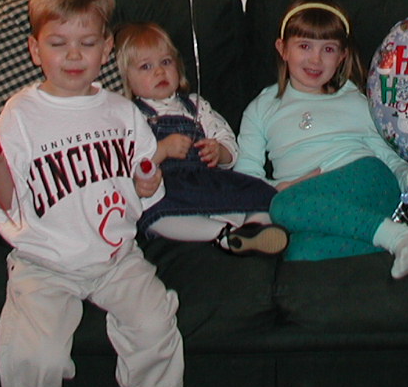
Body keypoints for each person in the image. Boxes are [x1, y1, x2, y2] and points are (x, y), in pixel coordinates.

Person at [0, 0, 183, 387]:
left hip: (115, 257)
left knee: (156, 328)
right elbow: (5, 201)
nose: (73, 56)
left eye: (86, 43)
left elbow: (144, 182)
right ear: (35, 49)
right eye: (58, 44)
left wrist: (147, 180)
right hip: (44, 262)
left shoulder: (122, 113)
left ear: (107, 49)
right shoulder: (20, 114)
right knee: (31, 358)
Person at [234, 0, 408, 279]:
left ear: (342, 55)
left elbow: (387, 155)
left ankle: (397, 237)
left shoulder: (357, 101)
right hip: (316, 206)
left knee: (283, 207)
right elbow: (245, 178)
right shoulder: (261, 108)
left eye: (328, 49)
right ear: (282, 49)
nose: (316, 59)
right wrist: (280, 187)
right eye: (304, 46)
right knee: (299, 252)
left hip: (368, 179)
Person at [115, 23, 284, 254]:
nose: (159, 72)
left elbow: (227, 139)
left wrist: (220, 152)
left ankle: (254, 228)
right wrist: (162, 149)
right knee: (151, 214)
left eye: (166, 62)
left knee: (262, 194)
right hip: (166, 187)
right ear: (127, 79)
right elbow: (129, 165)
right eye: (146, 66)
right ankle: (223, 234)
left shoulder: (196, 105)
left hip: (207, 181)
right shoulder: (131, 116)